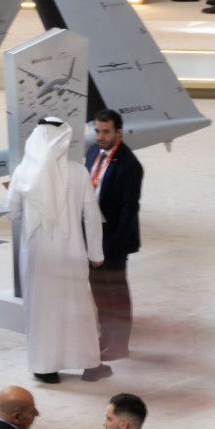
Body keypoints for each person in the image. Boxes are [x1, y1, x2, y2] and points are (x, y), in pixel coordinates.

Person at [7, 118, 112, 384]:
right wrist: (95, 254)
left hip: (36, 255)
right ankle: (85, 362)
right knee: (76, 308)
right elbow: (91, 216)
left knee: (41, 310)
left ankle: (44, 367)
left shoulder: (23, 172)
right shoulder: (79, 172)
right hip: (71, 253)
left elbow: (13, 212)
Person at [85, 109, 144, 362]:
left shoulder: (130, 165)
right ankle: (106, 337)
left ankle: (120, 345)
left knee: (116, 294)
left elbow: (130, 209)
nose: (100, 136)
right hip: (93, 234)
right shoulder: (91, 153)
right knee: (99, 292)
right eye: (97, 130)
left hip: (114, 238)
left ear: (118, 132)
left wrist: (113, 244)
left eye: (106, 131)